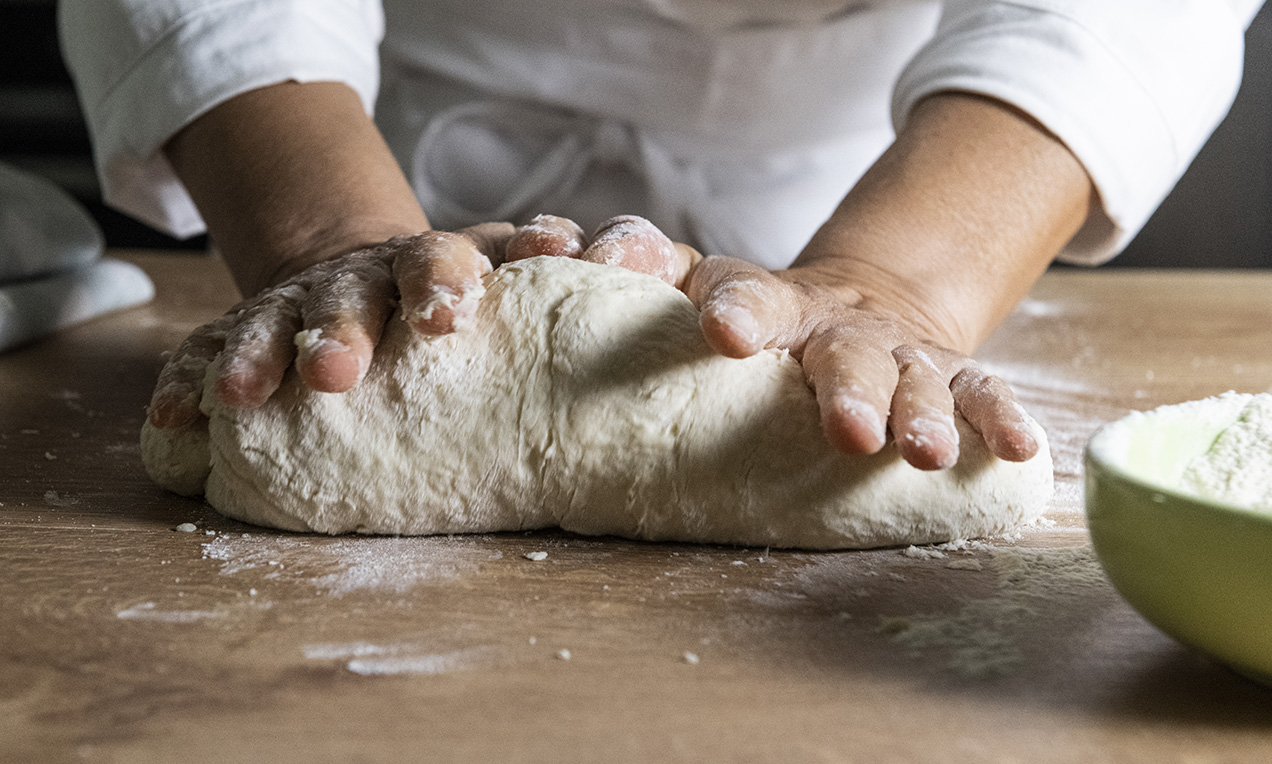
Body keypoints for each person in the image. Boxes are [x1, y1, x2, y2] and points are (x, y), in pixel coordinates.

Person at [59, 0, 1263, 471]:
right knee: (339, 360)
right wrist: (326, 233)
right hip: (363, 150)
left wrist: (895, 281)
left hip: (900, 174)